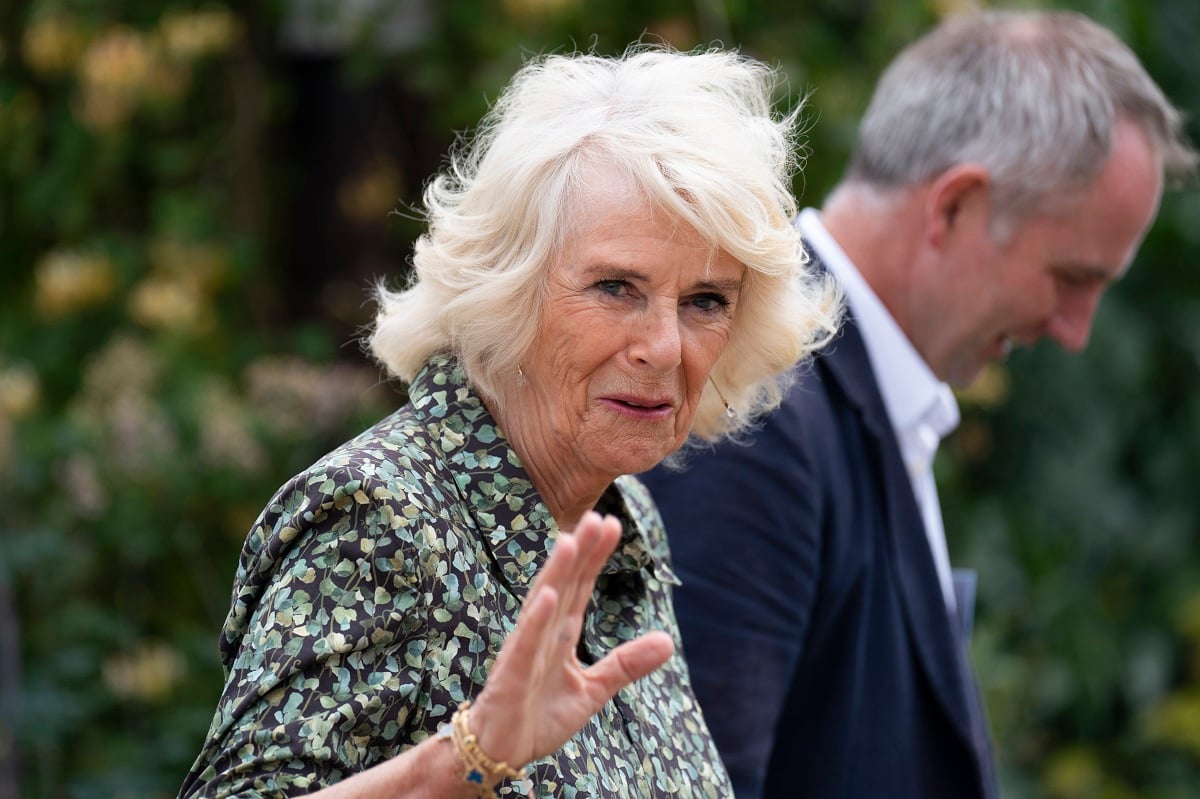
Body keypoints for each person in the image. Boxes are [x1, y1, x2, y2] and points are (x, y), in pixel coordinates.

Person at [179, 43, 839, 799]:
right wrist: (469, 756)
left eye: (706, 301)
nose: (662, 346)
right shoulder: (383, 517)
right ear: (508, 291)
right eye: (617, 287)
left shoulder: (623, 521)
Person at [641, 10, 1197, 799]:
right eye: (1072, 276)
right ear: (955, 205)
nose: (1075, 331)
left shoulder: (841, 400)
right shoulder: (756, 410)